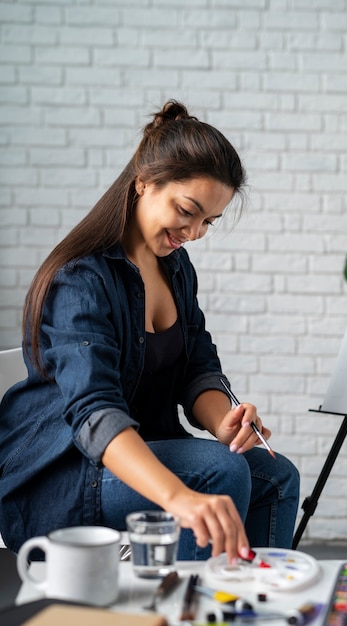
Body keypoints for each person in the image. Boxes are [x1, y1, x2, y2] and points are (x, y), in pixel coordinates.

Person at [0, 100, 299, 561]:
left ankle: (249, 605)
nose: (195, 232)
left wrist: (224, 421)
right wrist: (179, 497)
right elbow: (95, 414)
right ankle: (183, 608)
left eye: (208, 222)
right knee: (218, 472)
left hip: (135, 454)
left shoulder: (176, 269)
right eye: (187, 210)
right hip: (66, 473)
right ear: (144, 182)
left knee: (277, 477)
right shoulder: (79, 280)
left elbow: (197, 367)